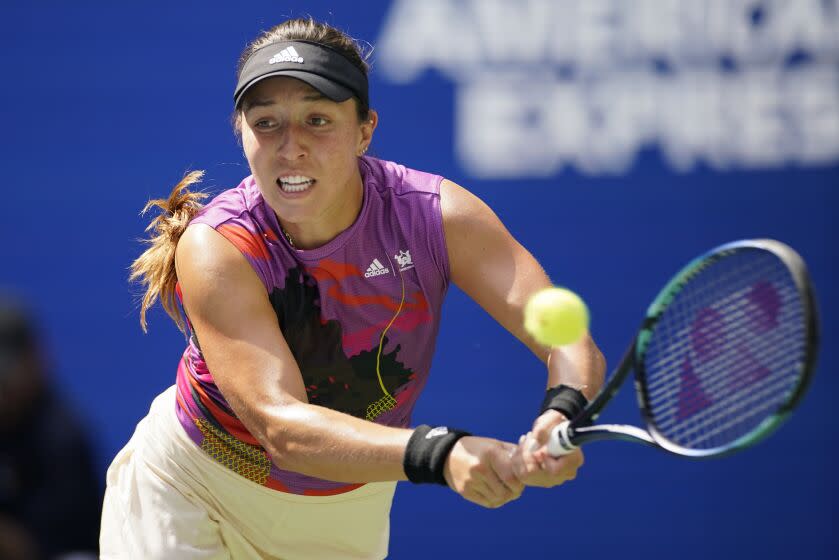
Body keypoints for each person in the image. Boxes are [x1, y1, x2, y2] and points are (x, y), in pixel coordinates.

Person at [100, 17, 605, 559]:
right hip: (192, 494)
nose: (290, 147)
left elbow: (565, 336)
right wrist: (442, 452)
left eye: (317, 120)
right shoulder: (218, 246)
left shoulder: (438, 217)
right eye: (266, 123)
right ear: (240, 132)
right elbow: (282, 428)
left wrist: (565, 412)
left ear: (365, 129)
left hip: (344, 517)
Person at [0, 298, 102, 560]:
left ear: (35, 360)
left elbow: (36, 548)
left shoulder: (61, 437)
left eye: (6, 374)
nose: (4, 389)